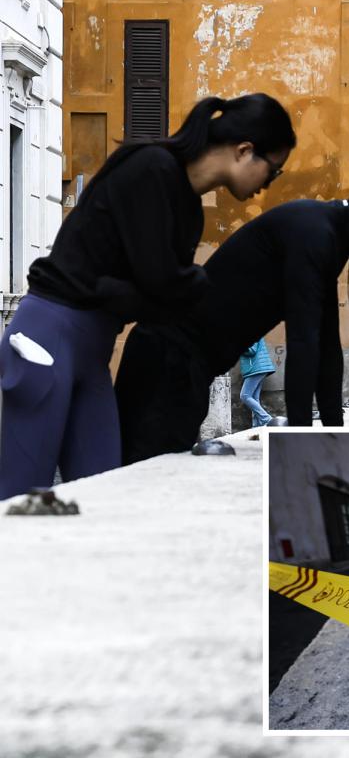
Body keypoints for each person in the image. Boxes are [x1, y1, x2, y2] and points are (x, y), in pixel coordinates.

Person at [0, 93, 295, 499]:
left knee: (106, 493)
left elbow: (165, 291)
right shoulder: (152, 168)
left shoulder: (189, 210)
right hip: (49, 333)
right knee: (21, 495)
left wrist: (139, 287)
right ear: (244, 151)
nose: (266, 185)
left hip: (93, 345)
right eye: (273, 171)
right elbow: (161, 283)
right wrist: (179, 283)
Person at [116, 156, 349, 463]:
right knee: (137, 490)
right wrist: (300, 445)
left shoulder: (330, 235)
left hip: (185, 366)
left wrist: (339, 435)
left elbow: (327, 349)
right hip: (165, 361)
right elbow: (303, 343)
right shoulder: (315, 231)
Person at [239, 337, 276, 427]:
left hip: (256, 368)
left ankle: (267, 419)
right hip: (257, 368)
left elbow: (251, 350)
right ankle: (256, 426)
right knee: (254, 398)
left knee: (245, 396)